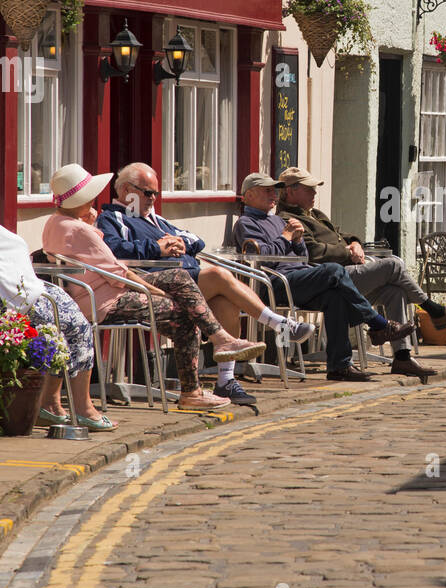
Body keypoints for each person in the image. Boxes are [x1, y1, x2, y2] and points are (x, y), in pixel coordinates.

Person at [42, 163, 267, 411]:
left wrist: (89, 223)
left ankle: (221, 340)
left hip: (97, 293)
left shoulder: (56, 223)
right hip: (107, 299)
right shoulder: (80, 230)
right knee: (183, 314)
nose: (95, 199)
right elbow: (117, 270)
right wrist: (149, 290)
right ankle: (194, 387)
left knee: (179, 277)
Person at [96, 162, 315, 407]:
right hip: (153, 284)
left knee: (225, 302)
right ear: (126, 190)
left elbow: (196, 240)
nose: (153, 199)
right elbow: (115, 250)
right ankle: (279, 324)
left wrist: (179, 242)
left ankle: (226, 380)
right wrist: (158, 247)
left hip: (185, 281)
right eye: (148, 193)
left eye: (156, 193)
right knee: (219, 276)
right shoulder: (112, 218)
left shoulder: (156, 220)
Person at [0, 157, 117, 432]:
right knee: (74, 328)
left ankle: (51, 405)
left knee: (66, 326)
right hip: (5, 302)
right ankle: (81, 407)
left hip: (3, 296)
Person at [276, 166, 446, 380]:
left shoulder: (315, 214)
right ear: (290, 191)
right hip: (331, 278)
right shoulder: (288, 219)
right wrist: (346, 252)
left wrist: (355, 244)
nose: (315, 193)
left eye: (314, 188)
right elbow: (313, 252)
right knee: (392, 265)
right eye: (309, 189)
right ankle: (434, 310)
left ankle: (402, 357)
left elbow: (343, 235)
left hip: (347, 275)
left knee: (394, 292)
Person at [233, 172, 416, 382]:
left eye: (274, 189)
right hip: (273, 284)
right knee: (335, 270)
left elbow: (302, 257)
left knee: (334, 297)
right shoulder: (246, 223)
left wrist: (298, 240)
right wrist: (286, 237)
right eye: (267, 190)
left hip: (297, 278)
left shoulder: (276, 220)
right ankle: (378, 324)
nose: (274, 194)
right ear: (249, 195)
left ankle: (340, 366)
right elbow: (262, 259)